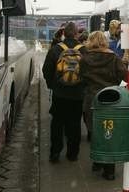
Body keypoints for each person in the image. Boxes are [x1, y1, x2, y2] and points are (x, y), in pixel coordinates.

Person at [79, 31, 127, 180]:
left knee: (95, 132)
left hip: (92, 99)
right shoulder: (113, 57)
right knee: (109, 132)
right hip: (110, 99)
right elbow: (124, 76)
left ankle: (98, 161)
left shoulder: (85, 59)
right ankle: (109, 170)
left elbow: (81, 78)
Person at [42, 22, 87, 163]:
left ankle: (55, 153)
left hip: (59, 94)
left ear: (63, 33)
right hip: (77, 95)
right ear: (76, 34)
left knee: (57, 123)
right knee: (74, 124)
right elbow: (88, 72)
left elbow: (46, 70)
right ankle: (72, 154)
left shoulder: (56, 49)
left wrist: (52, 85)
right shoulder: (84, 50)